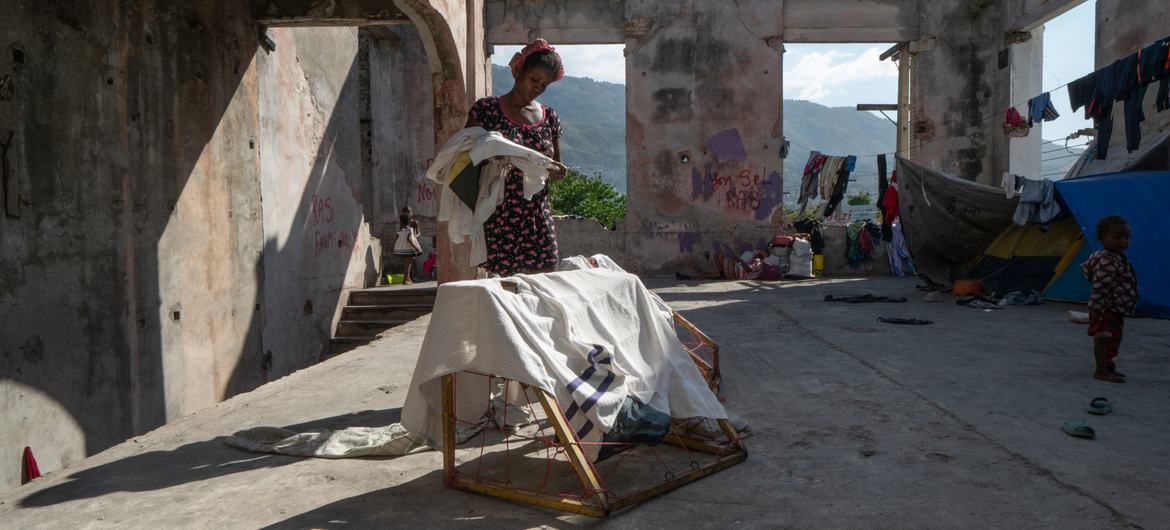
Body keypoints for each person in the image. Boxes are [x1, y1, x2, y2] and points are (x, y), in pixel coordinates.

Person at [466, 38, 568, 276]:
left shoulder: (549, 117)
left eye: (544, 85)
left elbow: (557, 171)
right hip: (501, 216)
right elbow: (466, 157)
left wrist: (557, 172)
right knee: (506, 288)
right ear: (519, 70)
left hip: (538, 215)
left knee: (544, 279)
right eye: (534, 79)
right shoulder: (486, 110)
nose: (537, 88)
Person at [1081, 215, 1138, 383]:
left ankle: (1108, 366)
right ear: (1101, 238)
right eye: (1117, 238)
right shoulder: (1106, 260)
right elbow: (1100, 287)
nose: (1123, 242)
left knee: (1114, 338)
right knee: (1103, 338)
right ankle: (1101, 371)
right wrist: (1097, 309)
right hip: (1105, 309)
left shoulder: (1118, 258)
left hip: (1116, 309)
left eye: (1126, 238)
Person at [394, 212, 423, 284]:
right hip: (408, 249)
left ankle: (408, 278)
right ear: (409, 221)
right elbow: (409, 239)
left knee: (407, 265)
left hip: (401, 249)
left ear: (401, 221)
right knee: (408, 265)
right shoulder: (410, 229)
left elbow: (396, 238)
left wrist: (396, 246)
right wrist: (417, 248)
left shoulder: (399, 229)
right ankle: (405, 280)